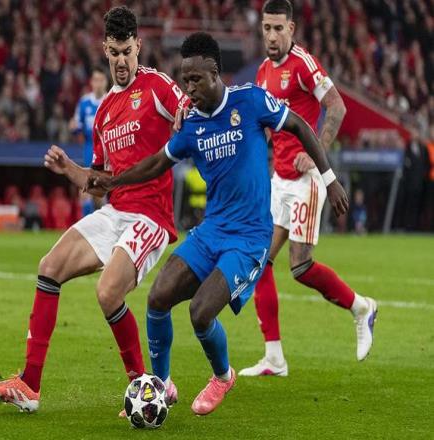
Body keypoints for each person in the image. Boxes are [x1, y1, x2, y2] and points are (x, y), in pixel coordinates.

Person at [88, 32, 349, 415]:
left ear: (215, 74)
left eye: (196, 79)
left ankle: (223, 376)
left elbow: (299, 127)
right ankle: (159, 386)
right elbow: (157, 163)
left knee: (200, 312)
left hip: (250, 239)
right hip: (211, 231)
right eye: (185, 80)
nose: (189, 88)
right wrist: (115, 181)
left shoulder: (251, 101)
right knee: (158, 298)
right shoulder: (191, 126)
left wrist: (329, 179)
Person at [0, 6, 188, 413]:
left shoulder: (157, 86)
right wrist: (69, 170)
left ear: (138, 46)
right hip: (115, 211)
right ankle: (29, 386)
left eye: (127, 51)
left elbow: (186, 110)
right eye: (114, 52)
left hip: (151, 216)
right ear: (104, 50)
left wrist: (186, 117)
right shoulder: (104, 111)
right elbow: (99, 181)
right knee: (49, 266)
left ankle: (143, 386)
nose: (121, 61)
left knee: (107, 291)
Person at [239, 0, 377, 378]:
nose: (271, 36)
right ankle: (274, 357)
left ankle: (361, 307)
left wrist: (315, 151)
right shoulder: (263, 72)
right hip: (279, 180)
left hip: (306, 179)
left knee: (300, 266)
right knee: (259, 261)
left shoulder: (303, 63)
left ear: (291, 29)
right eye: (266, 28)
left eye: (278, 28)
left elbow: (337, 107)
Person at [69, 67, 109, 167]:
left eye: (101, 80)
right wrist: (73, 127)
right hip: (89, 149)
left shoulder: (111, 101)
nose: (98, 84)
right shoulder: (84, 102)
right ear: (91, 82)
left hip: (108, 150)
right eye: (96, 80)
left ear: (106, 82)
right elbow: (77, 126)